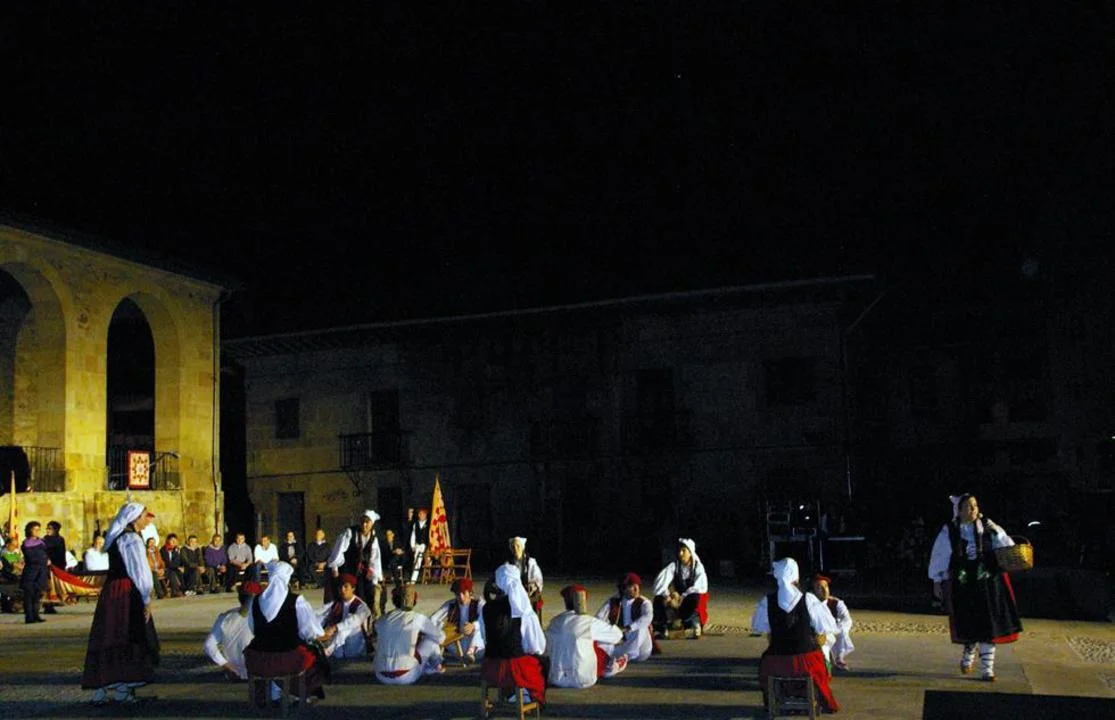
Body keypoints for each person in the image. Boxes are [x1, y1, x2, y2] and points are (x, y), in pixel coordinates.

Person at [928, 493, 1023, 682]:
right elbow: (940, 555)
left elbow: (1007, 546)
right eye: (968, 506)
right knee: (970, 625)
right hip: (964, 585)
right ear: (959, 510)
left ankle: (987, 669)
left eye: (975, 506)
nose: (973, 510)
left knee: (989, 626)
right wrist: (937, 580)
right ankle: (968, 653)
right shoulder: (950, 530)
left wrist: (996, 532)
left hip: (988, 583)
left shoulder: (987, 526)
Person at [81, 503, 160, 706]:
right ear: (135, 518)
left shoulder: (119, 537)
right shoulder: (131, 539)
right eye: (144, 516)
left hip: (112, 590)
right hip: (126, 591)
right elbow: (139, 570)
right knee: (126, 633)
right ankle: (122, 688)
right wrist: (146, 598)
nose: (147, 521)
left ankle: (104, 688)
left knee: (108, 632)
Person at [751, 557, 840, 714]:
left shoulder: (768, 601)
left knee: (765, 665)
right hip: (806, 663)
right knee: (820, 661)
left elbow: (760, 627)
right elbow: (825, 627)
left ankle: (776, 700)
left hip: (777, 663)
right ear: (796, 578)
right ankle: (814, 698)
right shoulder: (808, 599)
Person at [244, 561, 331, 706]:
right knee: (314, 653)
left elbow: (253, 629)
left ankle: (274, 692)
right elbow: (310, 632)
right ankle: (301, 694)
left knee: (275, 651)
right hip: (288, 659)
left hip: (258, 658)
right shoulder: (296, 601)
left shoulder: (255, 601)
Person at [481, 565, 548, 706]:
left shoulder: (486, 608)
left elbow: (485, 638)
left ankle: (511, 693)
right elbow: (537, 646)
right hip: (515, 668)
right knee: (542, 662)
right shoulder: (524, 611)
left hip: (491, 668)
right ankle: (528, 696)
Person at [546, 584, 624, 688]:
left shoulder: (554, 622)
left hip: (556, 679)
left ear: (565, 602)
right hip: (583, 680)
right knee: (597, 641)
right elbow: (617, 636)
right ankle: (610, 666)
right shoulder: (588, 622)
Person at [373, 583, 445, 684]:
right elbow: (440, 637)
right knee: (431, 640)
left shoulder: (382, 619)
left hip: (381, 676)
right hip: (406, 676)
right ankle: (436, 665)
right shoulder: (417, 618)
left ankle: (426, 668)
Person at [652, 538, 709, 639]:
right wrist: (667, 595)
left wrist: (683, 597)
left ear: (690, 553)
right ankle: (662, 628)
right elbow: (659, 584)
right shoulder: (674, 566)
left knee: (694, 598)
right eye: (679, 551)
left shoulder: (698, 567)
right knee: (658, 598)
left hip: (688, 601)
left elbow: (700, 587)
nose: (680, 553)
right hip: (675, 600)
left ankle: (688, 623)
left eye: (683, 551)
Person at [204, 581, 262, 680]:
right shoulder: (266, 617)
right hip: (260, 675)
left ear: (239, 597)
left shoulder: (224, 617)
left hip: (235, 674)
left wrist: (226, 665)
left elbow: (209, 645)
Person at [326, 510, 382, 611]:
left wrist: (374, 577)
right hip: (347, 568)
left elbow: (375, 559)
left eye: (367, 522)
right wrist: (335, 568)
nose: (364, 525)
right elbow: (338, 550)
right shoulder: (350, 533)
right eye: (362, 522)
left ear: (372, 524)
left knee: (365, 596)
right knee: (344, 596)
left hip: (361, 572)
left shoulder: (373, 538)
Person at [596, 572, 655, 664]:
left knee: (641, 627)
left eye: (637, 586)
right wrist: (609, 630)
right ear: (623, 589)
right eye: (632, 586)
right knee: (598, 634)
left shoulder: (644, 602)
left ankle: (626, 655)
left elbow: (647, 618)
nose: (636, 589)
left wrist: (628, 628)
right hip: (620, 643)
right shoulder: (614, 601)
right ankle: (620, 658)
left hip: (640, 650)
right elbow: (598, 618)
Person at [317, 573, 372, 660]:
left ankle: (327, 651)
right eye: (340, 587)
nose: (342, 590)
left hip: (355, 648)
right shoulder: (336, 603)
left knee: (346, 625)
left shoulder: (362, 606)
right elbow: (320, 612)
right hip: (339, 649)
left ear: (353, 588)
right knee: (322, 617)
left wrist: (335, 628)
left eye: (346, 587)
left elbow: (355, 620)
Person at [430, 578, 486, 662]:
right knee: (438, 629)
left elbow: (486, 619)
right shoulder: (451, 604)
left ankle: (471, 651)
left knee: (479, 628)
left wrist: (474, 626)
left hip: (478, 647)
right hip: (457, 645)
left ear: (470, 592)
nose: (461, 597)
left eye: (464, 593)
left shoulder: (479, 603)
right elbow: (433, 618)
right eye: (458, 594)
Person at [810, 574, 854, 671]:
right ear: (813, 591)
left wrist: (834, 629)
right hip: (816, 635)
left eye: (826, 586)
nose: (824, 590)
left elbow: (847, 619)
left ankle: (839, 658)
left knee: (841, 632)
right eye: (819, 588)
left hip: (833, 632)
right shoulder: (810, 604)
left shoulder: (836, 603)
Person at [503, 536, 543, 616]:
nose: (515, 549)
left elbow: (538, 580)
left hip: (529, 593)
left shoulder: (530, 562)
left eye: (518, 546)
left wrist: (531, 588)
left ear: (522, 548)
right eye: (513, 547)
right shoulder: (508, 564)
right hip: (513, 594)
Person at [20, 521, 50, 624]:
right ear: (29, 530)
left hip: (41, 571)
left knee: (37, 594)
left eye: (38, 529)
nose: (37, 531)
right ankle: (29, 617)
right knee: (29, 595)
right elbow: (30, 557)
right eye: (35, 529)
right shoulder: (26, 543)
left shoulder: (41, 542)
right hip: (31, 572)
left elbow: (45, 553)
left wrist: (47, 559)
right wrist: (43, 560)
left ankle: (36, 615)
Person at [41, 520, 65, 613]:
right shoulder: (44, 539)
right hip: (47, 566)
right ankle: (47, 605)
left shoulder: (60, 539)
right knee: (48, 586)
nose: (47, 530)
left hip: (57, 565)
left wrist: (62, 566)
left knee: (54, 586)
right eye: (47, 528)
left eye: (50, 528)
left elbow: (61, 553)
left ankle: (51, 605)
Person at [408, 508, 430, 582]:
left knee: (428, 561)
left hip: (426, 545)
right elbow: (413, 535)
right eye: (419, 514)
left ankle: (427, 578)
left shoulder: (429, 524)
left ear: (425, 515)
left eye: (422, 514)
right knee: (417, 560)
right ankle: (413, 579)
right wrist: (413, 546)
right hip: (418, 545)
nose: (420, 515)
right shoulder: (416, 524)